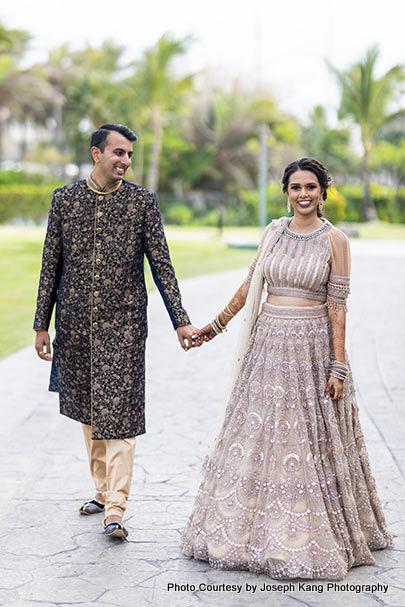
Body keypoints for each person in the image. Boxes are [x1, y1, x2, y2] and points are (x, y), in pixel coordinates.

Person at [181, 157, 393, 579]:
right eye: (295, 187)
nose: (302, 195)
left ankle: (306, 534)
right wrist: (215, 325)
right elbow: (250, 286)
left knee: (306, 442)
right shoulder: (273, 233)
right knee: (259, 436)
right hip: (267, 348)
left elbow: (338, 306)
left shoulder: (336, 241)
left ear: (322, 191)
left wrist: (337, 366)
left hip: (312, 349)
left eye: (310, 187)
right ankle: (249, 534)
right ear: (286, 191)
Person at [34, 123, 201, 539]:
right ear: (96, 154)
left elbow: (162, 265)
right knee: (88, 413)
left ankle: (116, 509)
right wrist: (41, 324)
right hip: (74, 325)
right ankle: (102, 490)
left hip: (123, 326)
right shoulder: (65, 200)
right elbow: (50, 265)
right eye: (119, 153)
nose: (125, 161)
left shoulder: (142, 202)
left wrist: (180, 318)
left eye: (129, 155)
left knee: (120, 416)